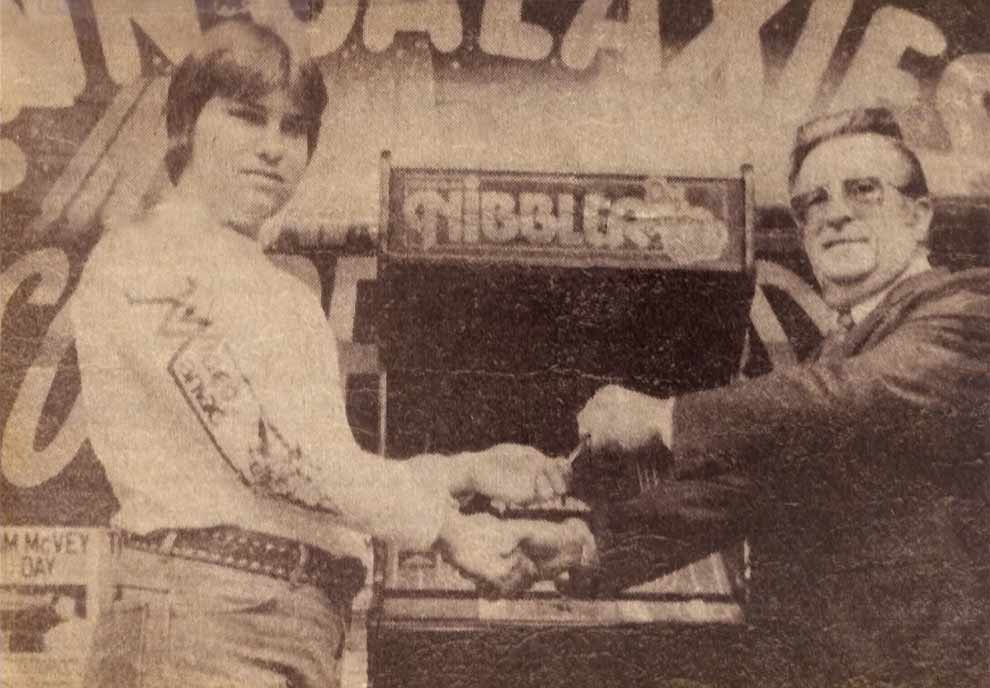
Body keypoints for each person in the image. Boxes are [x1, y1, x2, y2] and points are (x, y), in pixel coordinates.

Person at [71, 18, 572, 688]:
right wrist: (448, 528)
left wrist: (465, 469)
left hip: (290, 626)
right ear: (187, 123)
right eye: (247, 118)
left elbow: (323, 473)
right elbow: (267, 454)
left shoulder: (281, 293)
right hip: (200, 624)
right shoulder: (143, 255)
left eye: (294, 128)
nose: (273, 148)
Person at [555, 107, 989, 685]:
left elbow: (848, 397)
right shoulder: (836, 351)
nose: (835, 213)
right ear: (804, 236)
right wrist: (581, 546)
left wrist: (664, 417)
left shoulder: (967, 308)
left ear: (918, 215)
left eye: (863, 190)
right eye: (813, 203)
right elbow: (741, 489)